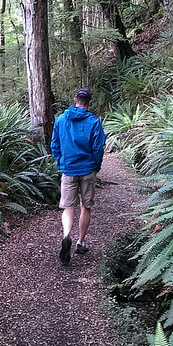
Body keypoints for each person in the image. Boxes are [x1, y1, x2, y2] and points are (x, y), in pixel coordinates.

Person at [50, 88, 105, 265]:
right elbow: (98, 148)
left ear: (75, 100)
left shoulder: (60, 120)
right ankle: (81, 242)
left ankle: (66, 235)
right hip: (87, 169)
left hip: (68, 169)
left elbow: (54, 144)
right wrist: (96, 166)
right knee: (86, 206)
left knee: (68, 207)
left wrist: (61, 162)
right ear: (89, 102)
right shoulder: (94, 122)